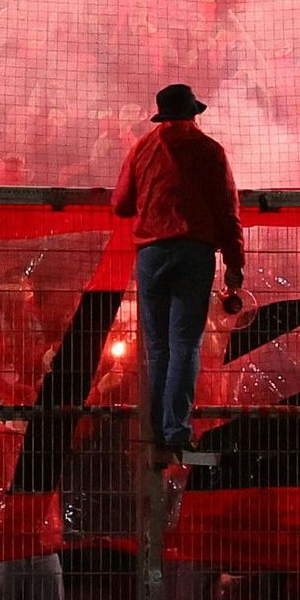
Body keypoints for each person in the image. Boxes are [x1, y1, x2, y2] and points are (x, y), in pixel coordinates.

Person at [109, 82, 243, 454]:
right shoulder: (210, 151)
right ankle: (176, 431)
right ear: (194, 114)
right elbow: (228, 214)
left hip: (151, 255)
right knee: (185, 344)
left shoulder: (143, 148)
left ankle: (155, 433)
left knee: (156, 347)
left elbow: (120, 204)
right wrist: (235, 266)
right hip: (194, 254)